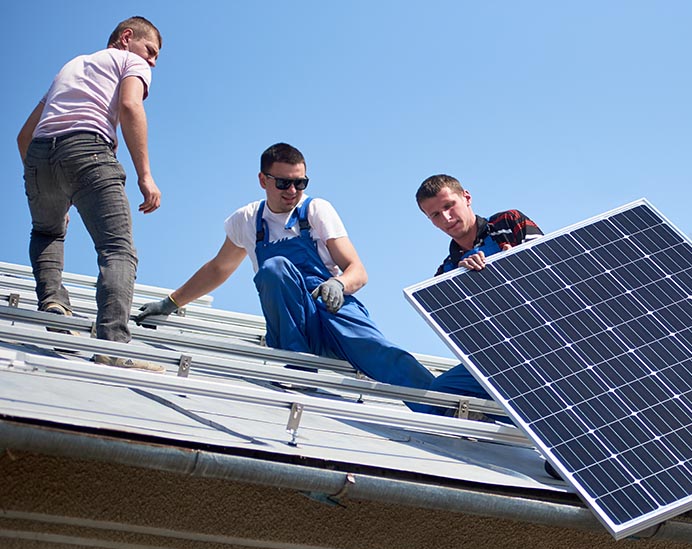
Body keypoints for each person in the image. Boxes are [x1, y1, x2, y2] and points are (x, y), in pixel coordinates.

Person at [133, 143, 435, 396]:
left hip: (331, 309)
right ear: (263, 180)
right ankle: (298, 369)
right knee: (274, 268)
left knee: (384, 355)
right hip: (293, 325)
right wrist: (171, 303)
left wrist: (339, 284)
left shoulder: (315, 210)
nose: (293, 190)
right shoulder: (247, 221)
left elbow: (357, 270)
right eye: (284, 183)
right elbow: (218, 268)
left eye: (300, 183)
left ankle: (446, 405)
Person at [18, 16, 165, 372]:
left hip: (40, 154)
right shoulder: (129, 61)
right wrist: (146, 175)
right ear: (127, 38)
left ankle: (54, 305)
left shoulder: (69, 68)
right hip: (90, 148)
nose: (152, 62)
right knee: (117, 249)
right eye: (151, 51)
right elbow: (130, 107)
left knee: (47, 232)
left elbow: (24, 135)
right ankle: (112, 345)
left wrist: (47, 182)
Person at [413, 174, 542, 416]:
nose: (447, 218)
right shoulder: (446, 273)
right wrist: (467, 283)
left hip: (545, 338)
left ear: (466, 197)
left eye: (449, 206)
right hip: (498, 357)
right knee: (439, 395)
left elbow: (548, 273)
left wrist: (505, 264)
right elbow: (465, 333)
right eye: (436, 215)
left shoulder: (509, 223)